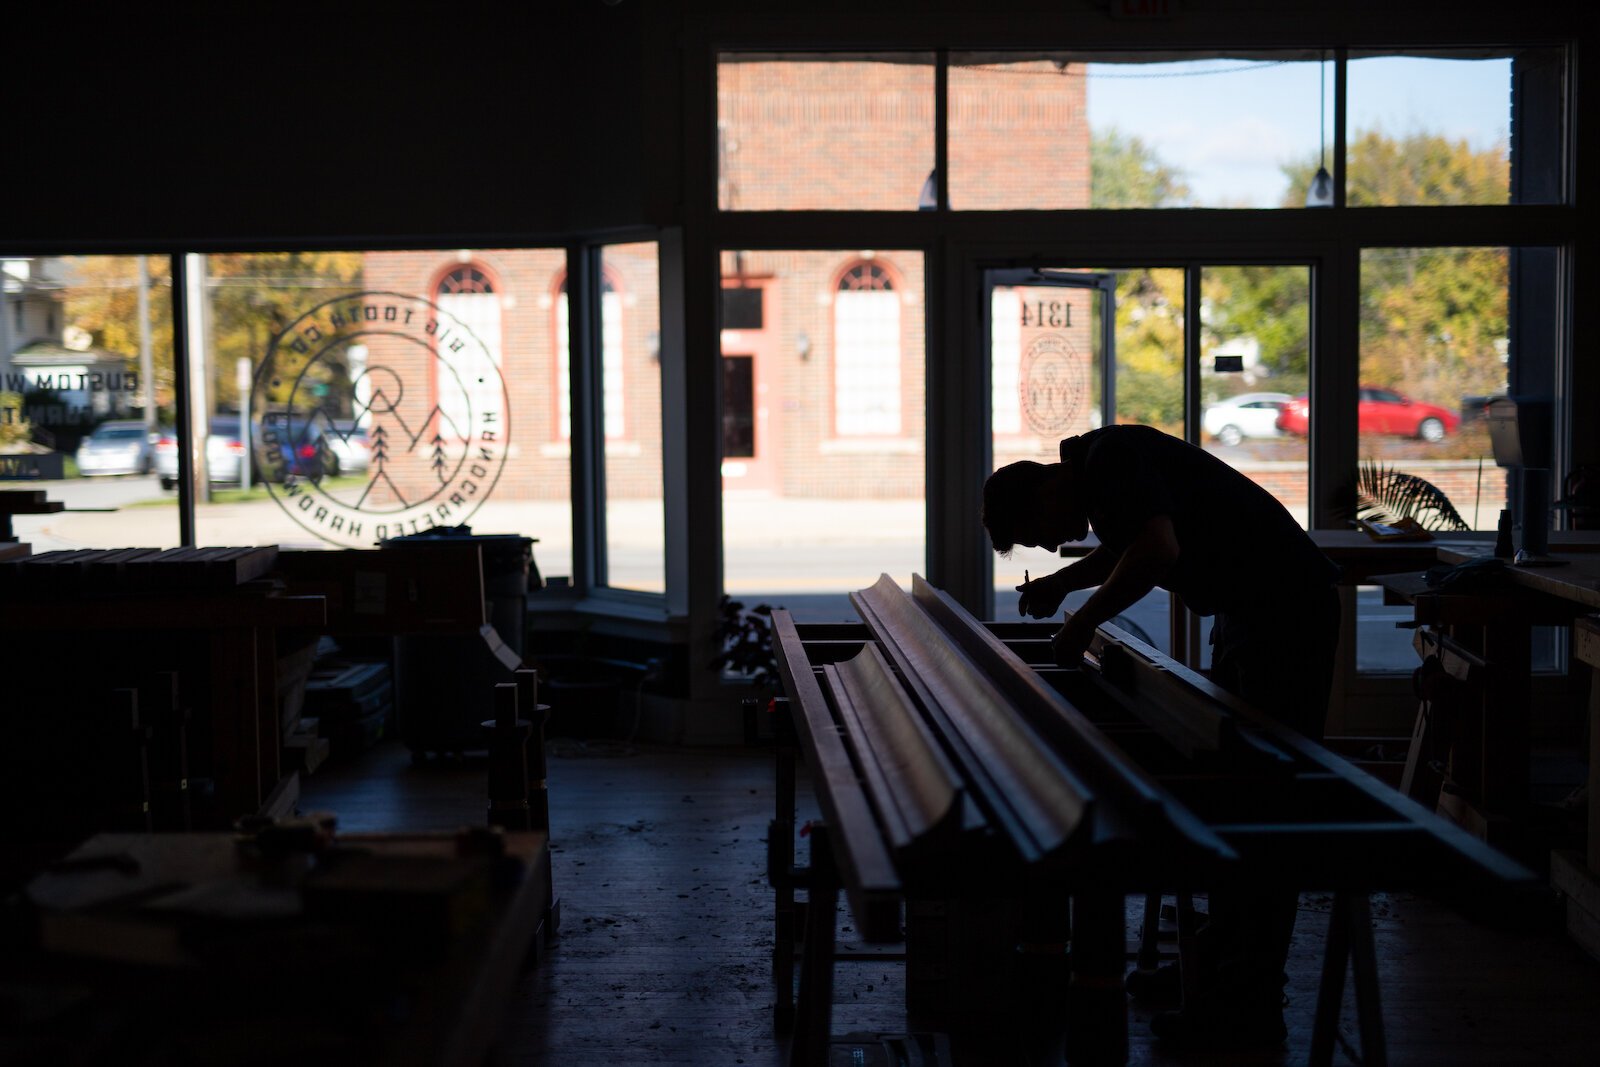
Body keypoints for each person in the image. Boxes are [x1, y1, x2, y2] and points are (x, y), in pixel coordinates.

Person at [981, 423, 1341, 1050]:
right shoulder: (1101, 475)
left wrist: (1080, 623)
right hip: (1251, 609)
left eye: (1039, 531)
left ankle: (1247, 1003)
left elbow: (1156, 550)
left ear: (1041, 487)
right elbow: (1128, 543)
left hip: (1286, 612)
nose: (1052, 542)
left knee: (1267, 803)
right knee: (1234, 794)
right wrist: (1061, 587)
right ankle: (1215, 967)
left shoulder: (1111, 460)